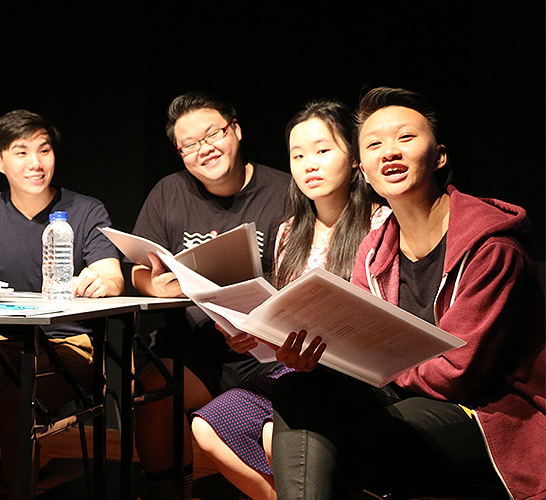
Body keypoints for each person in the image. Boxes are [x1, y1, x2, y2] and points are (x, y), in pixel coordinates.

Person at [271, 87, 545, 499]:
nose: (390, 152)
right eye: (376, 144)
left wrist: (381, 364)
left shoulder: (491, 247)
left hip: (492, 413)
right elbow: (362, 345)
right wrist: (319, 356)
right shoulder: (375, 248)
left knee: (350, 439)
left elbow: (459, 375)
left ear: (439, 156)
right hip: (407, 391)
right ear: (363, 169)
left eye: (406, 138)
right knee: (297, 390)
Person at [190, 100, 389, 500]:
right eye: (297, 156)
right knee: (207, 426)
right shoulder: (291, 231)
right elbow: (284, 313)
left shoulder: (381, 222)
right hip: (297, 368)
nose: (308, 165)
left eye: (322, 150)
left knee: (275, 435)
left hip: (352, 376)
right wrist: (249, 331)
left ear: (353, 158)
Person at [0, 109, 124, 500]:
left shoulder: (84, 210)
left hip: (70, 347)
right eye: (21, 152)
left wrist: (101, 281)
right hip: (0, 344)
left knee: (16, 405)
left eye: (44, 151)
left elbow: (113, 275)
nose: (36, 163)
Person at [130, 91, 290, 499]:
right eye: (190, 145)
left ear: (235, 130)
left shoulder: (285, 190)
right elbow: (137, 268)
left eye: (212, 134)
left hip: (267, 347)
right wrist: (155, 285)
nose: (205, 150)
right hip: (196, 346)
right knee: (153, 392)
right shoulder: (169, 192)